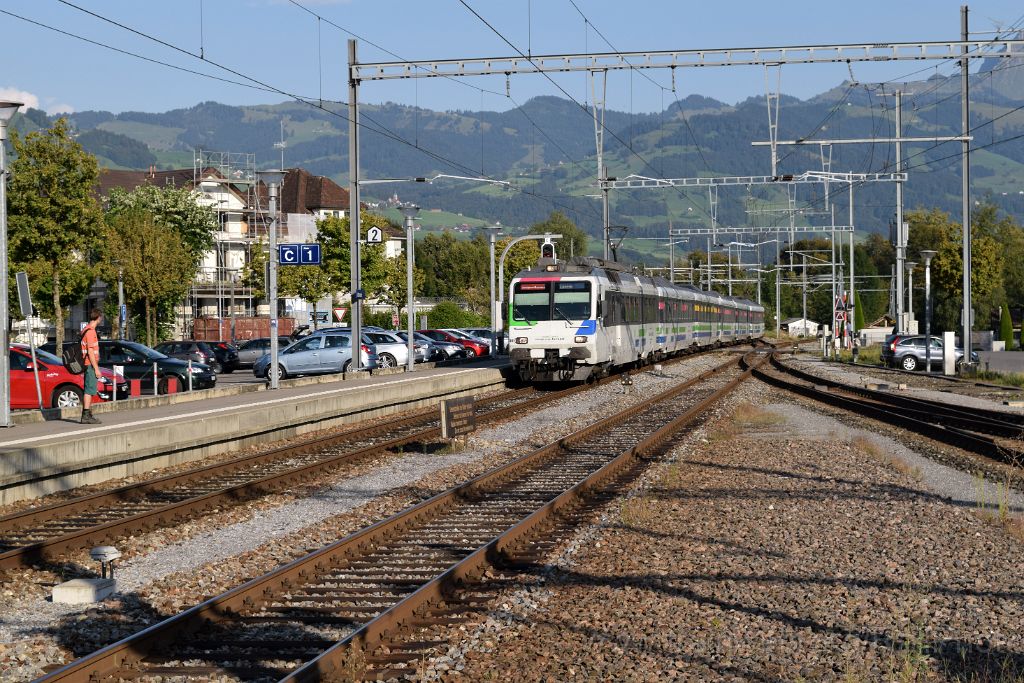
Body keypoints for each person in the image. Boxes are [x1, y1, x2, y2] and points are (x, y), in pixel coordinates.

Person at [80, 308, 103, 424]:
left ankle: (88, 414)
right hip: (90, 364)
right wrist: (96, 369)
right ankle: (86, 415)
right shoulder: (90, 332)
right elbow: (90, 352)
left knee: (89, 389)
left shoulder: (86, 329)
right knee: (89, 390)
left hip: (88, 364)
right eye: (101, 317)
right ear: (98, 318)